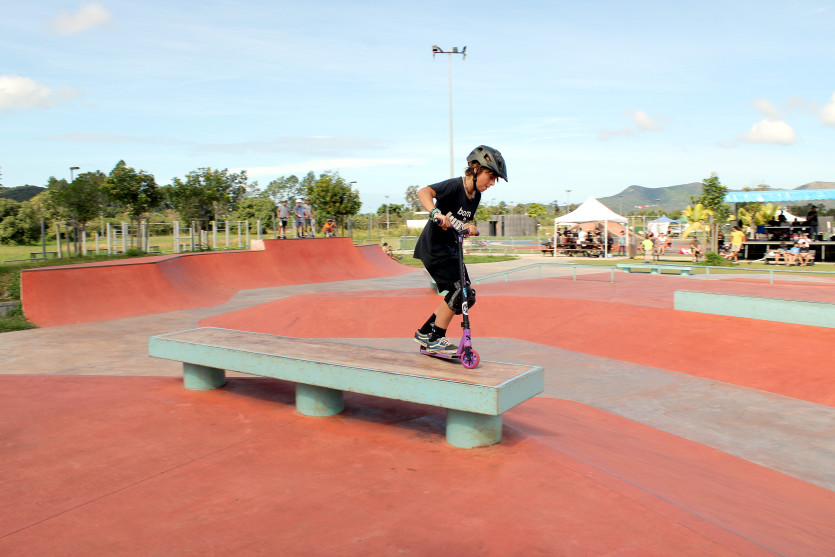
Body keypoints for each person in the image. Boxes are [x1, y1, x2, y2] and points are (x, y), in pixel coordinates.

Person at [412, 145, 507, 354]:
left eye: (494, 180)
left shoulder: (476, 197)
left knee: (467, 295)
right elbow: (423, 192)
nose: (492, 183)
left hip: (451, 249)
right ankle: (436, 337)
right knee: (459, 290)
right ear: (476, 169)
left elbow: (460, 221)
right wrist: (435, 213)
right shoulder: (455, 186)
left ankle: (425, 332)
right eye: (491, 177)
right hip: (434, 248)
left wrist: (469, 227)